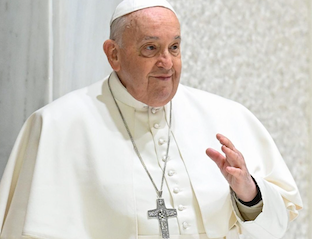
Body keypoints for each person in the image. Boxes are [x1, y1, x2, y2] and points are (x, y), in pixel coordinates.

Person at [0, 0, 302, 238]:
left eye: (174, 47)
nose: (167, 63)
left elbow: (275, 230)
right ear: (114, 54)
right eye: (150, 48)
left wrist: (248, 192)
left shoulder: (226, 116)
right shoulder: (57, 126)